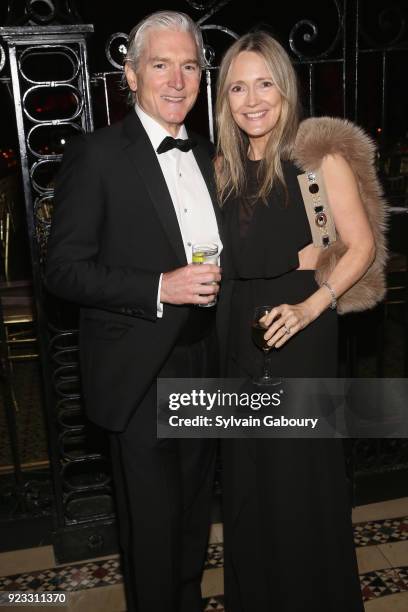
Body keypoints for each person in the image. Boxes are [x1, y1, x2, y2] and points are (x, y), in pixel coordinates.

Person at [46, 11, 223, 612]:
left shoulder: (208, 154)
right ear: (131, 74)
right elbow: (63, 270)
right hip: (141, 369)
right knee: (151, 532)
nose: (176, 79)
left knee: (195, 522)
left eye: (189, 65)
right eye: (160, 64)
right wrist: (158, 287)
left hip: (207, 359)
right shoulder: (97, 155)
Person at [215, 31, 377, 612]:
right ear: (224, 98)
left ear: (285, 89)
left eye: (264, 84)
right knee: (247, 490)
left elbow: (359, 247)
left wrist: (313, 305)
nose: (252, 99)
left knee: (299, 488)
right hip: (238, 342)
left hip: (301, 338)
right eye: (238, 86)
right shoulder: (222, 167)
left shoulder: (317, 160)